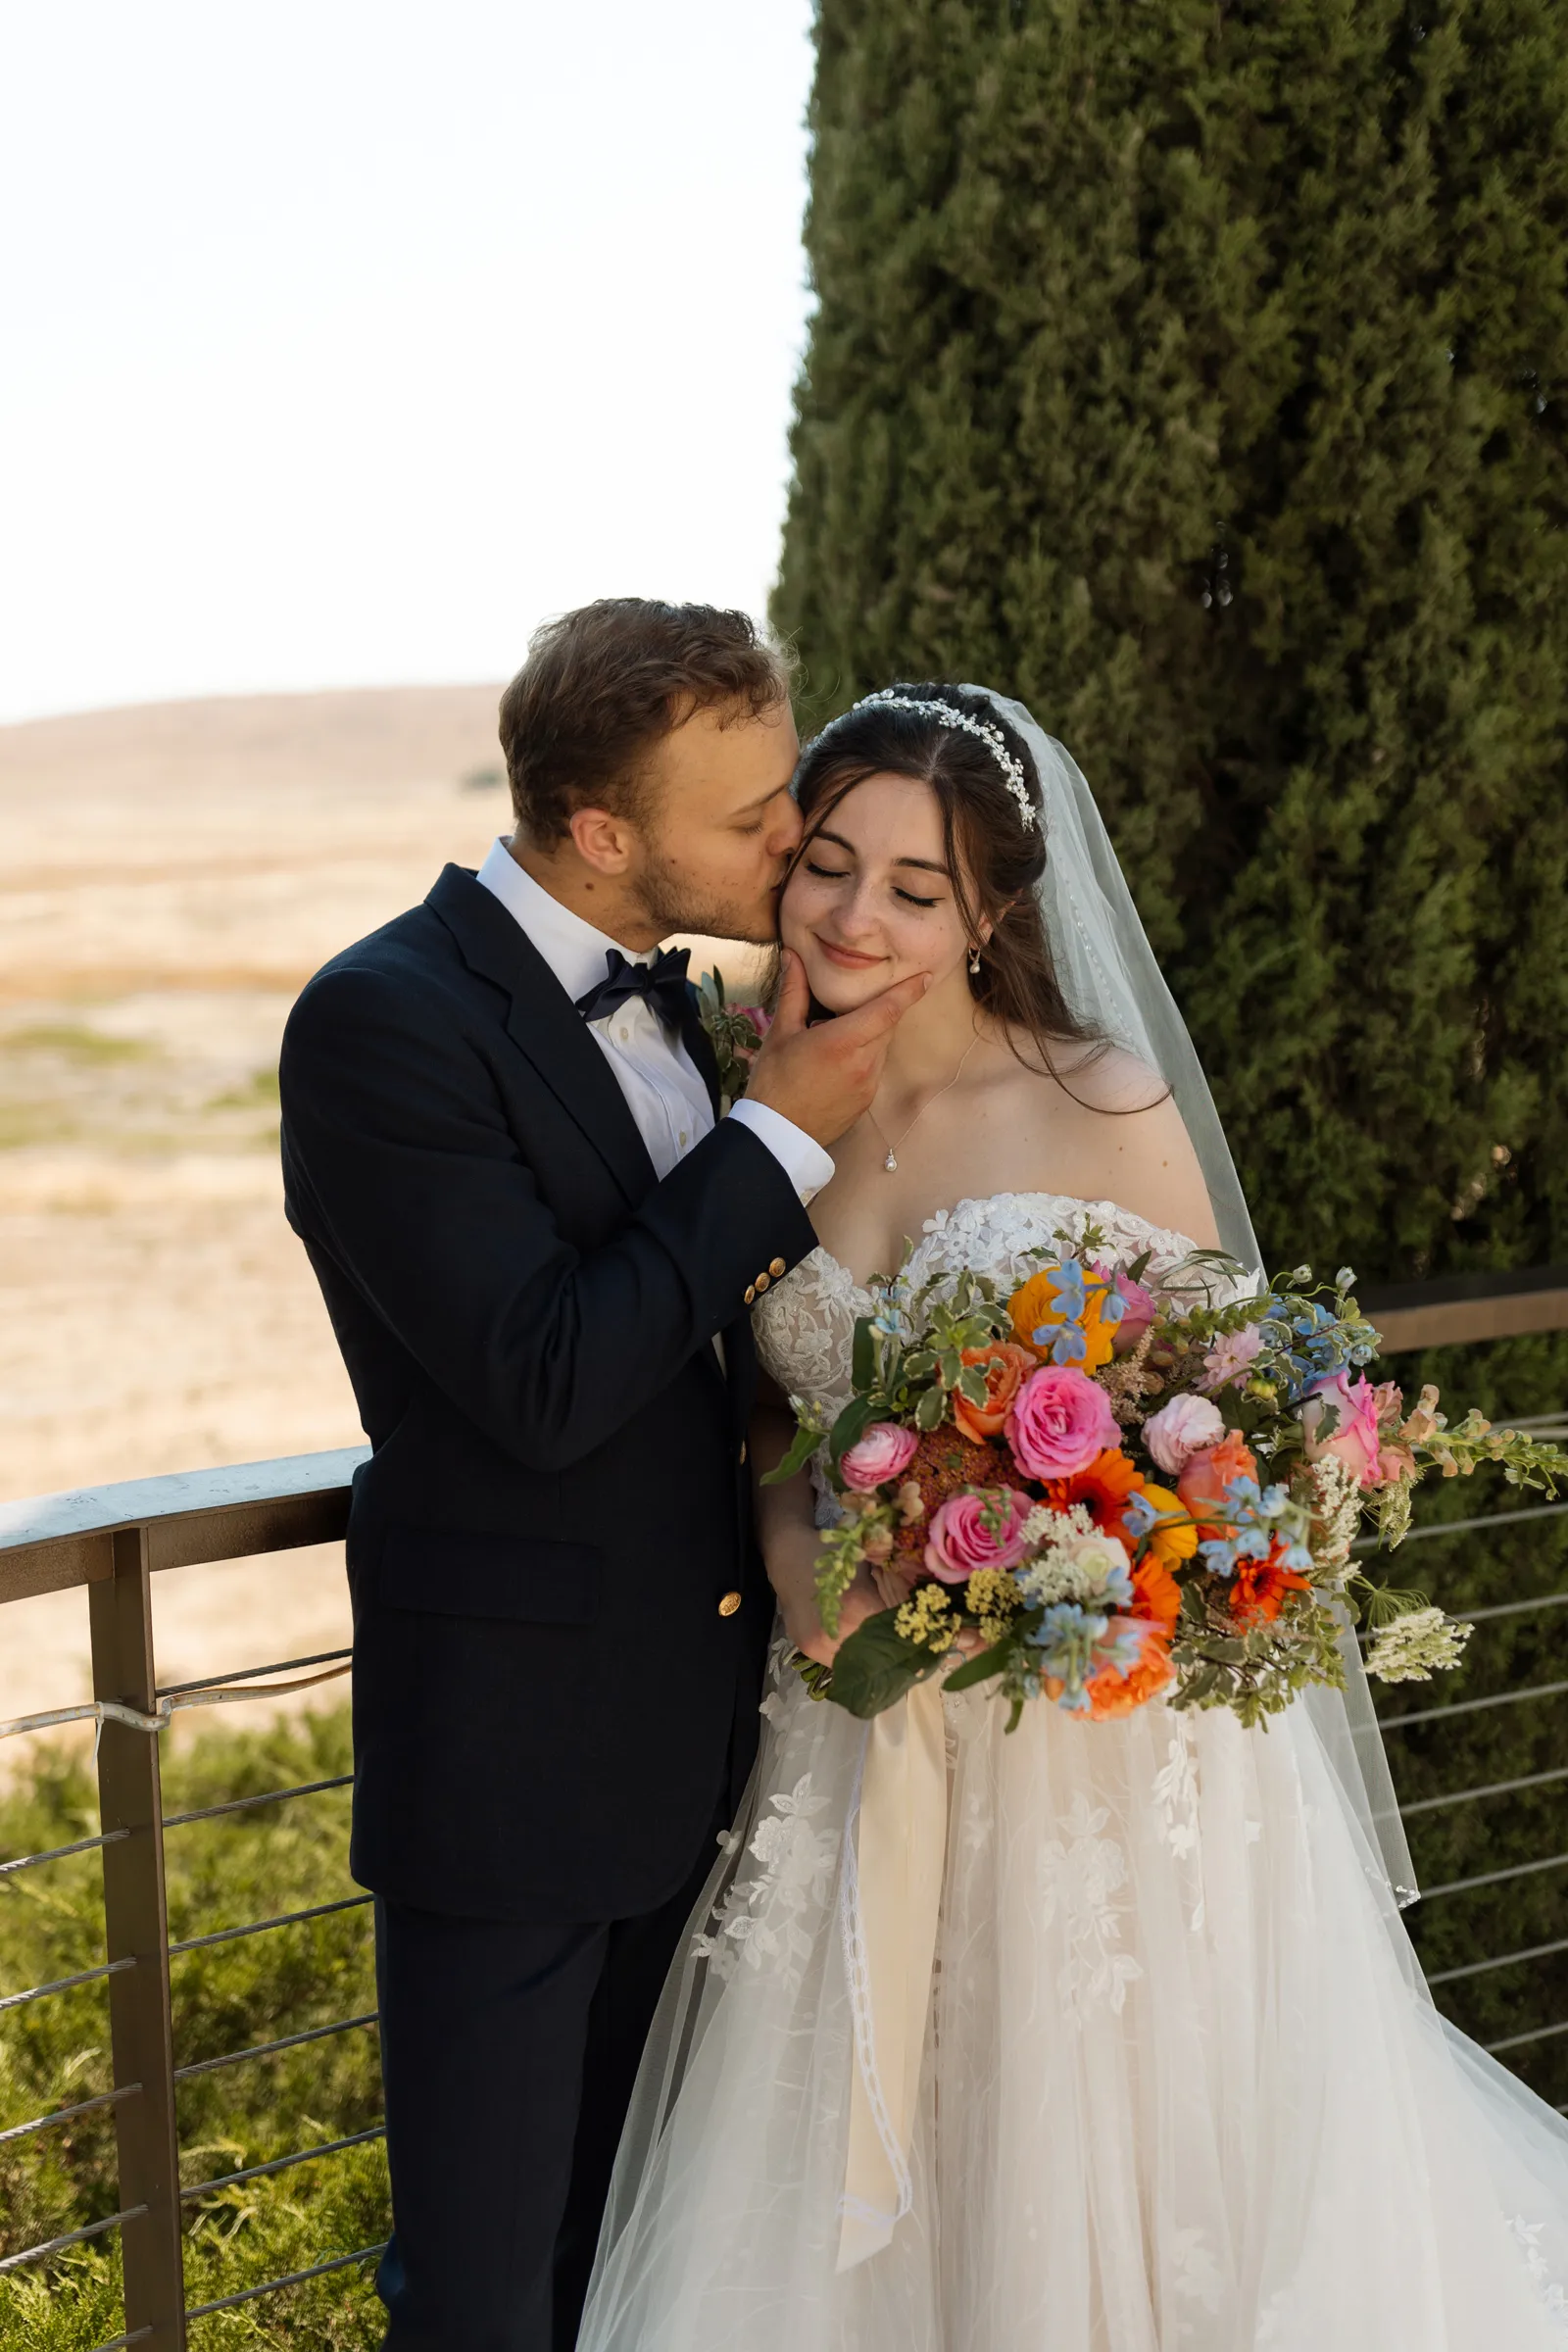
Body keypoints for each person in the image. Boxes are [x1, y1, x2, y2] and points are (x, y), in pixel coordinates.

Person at [576, 683, 1568, 2350]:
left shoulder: (1099, 1100)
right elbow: (767, 1410)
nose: (857, 916)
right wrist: (797, 1542)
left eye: (916, 888)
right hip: (858, 1724)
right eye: (828, 864)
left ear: (993, 915)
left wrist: (1076, 1554)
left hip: (1101, 1754)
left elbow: (1239, 1423)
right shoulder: (758, 1113)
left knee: (1106, 2155)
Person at [277, 600, 930, 2352]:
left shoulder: (703, 1001)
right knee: (491, 2298)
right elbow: (549, 1379)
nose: (794, 840)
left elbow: (735, 1347)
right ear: (599, 834)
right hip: (512, 1774)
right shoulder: (380, 1022)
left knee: (646, 2266)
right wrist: (779, 1127)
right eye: (751, 817)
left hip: (712, 1747)